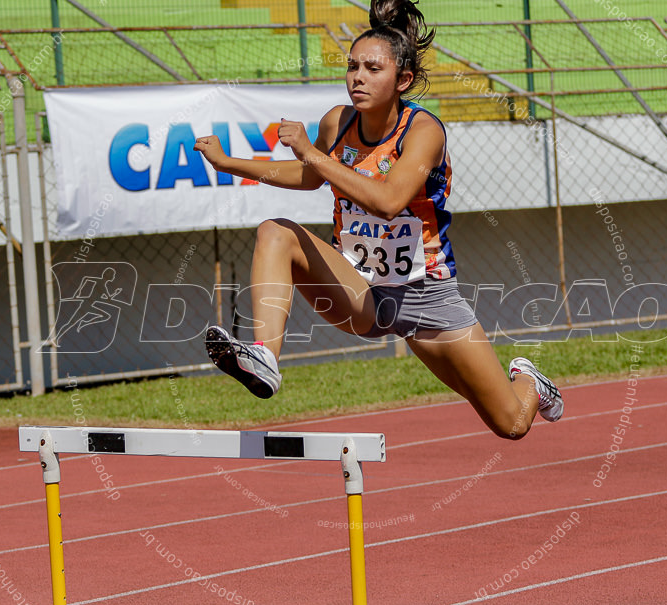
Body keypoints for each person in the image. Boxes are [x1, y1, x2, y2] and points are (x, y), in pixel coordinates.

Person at [193, 0, 562, 440]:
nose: (358, 78)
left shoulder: (424, 132)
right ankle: (265, 358)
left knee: (511, 424)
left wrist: (312, 152)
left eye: (372, 68)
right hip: (362, 289)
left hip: (427, 298)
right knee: (275, 232)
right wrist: (228, 162)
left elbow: (388, 201)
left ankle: (528, 381)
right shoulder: (338, 122)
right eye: (352, 67)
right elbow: (311, 177)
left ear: (402, 79)